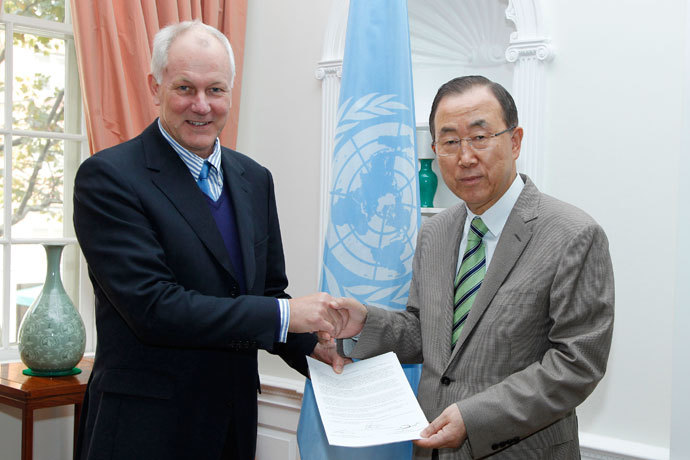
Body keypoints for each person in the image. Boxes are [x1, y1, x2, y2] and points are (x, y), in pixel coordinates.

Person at [73, 20, 347, 460]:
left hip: (233, 427)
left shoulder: (254, 179)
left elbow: (266, 292)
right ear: (154, 86)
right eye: (185, 87)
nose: (201, 105)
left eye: (216, 90)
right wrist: (284, 314)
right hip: (144, 432)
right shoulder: (109, 178)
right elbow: (154, 308)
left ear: (231, 92)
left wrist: (311, 347)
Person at [334, 75, 614, 459]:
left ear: (514, 142)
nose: (465, 157)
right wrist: (365, 322)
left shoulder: (573, 235)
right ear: (435, 149)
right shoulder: (434, 232)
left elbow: (577, 363)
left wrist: (474, 416)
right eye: (450, 142)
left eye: (480, 137)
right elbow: (426, 333)